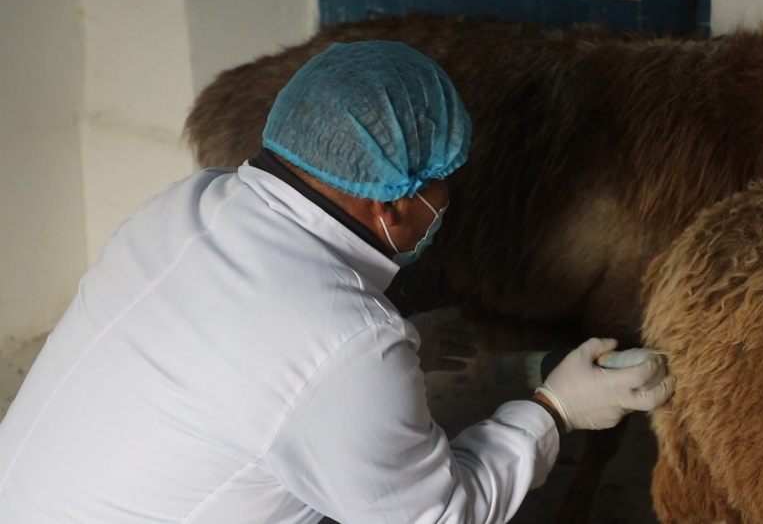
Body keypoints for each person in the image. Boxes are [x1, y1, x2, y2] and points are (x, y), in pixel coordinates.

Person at [0, 41, 675, 524]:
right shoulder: (345, 346)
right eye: (444, 181)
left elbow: (251, 359)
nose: (449, 199)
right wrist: (553, 409)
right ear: (391, 206)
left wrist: (396, 352)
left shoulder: (188, 203)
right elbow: (439, 514)